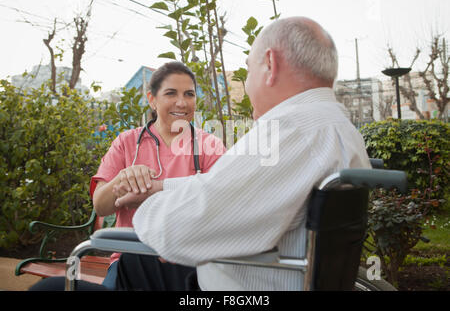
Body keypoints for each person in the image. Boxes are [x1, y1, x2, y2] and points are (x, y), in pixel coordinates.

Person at [123, 16, 371, 291]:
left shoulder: (290, 132)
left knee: (131, 260)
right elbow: (226, 186)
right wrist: (162, 187)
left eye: (249, 70)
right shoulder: (338, 129)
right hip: (289, 278)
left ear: (270, 64)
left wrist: (147, 213)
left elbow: (177, 232)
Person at [29, 61, 226, 291]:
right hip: (130, 258)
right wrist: (122, 180)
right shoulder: (127, 143)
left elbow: (222, 200)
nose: (182, 103)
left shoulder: (209, 145)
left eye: (189, 94)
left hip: (188, 262)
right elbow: (101, 206)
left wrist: (160, 189)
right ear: (152, 99)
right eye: (171, 93)